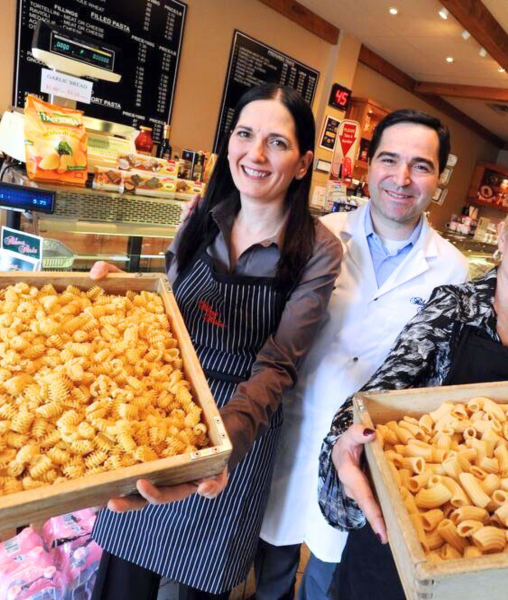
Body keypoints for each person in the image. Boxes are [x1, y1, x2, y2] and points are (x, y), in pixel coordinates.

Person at [87, 84, 343, 600]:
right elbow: (169, 311)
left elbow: (279, 364)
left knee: (197, 584)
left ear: (302, 162)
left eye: (277, 142)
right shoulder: (202, 212)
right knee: (122, 578)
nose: (256, 153)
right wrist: (123, 296)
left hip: (237, 431)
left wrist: (213, 449)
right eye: (246, 135)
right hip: (158, 411)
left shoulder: (318, 248)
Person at [318, 180, 508, 600]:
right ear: (503, 234)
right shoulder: (452, 309)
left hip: (500, 567)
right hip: (406, 541)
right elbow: (373, 399)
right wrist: (342, 443)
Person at [254, 110, 470, 600]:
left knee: (329, 575)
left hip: (366, 450)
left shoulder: (452, 270)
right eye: (389, 160)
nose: (402, 178)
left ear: (439, 178)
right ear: (368, 166)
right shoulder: (317, 235)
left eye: (421, 165)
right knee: (272, 562)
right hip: (290, 426)